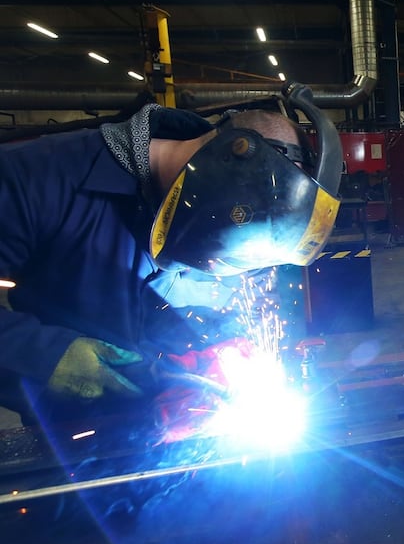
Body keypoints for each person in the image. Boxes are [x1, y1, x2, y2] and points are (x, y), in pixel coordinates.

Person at [0, 82, 343, 422]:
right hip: (77, 445)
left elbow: (235, 311)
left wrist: (228, 351)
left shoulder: (247, 223)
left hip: (186, 438)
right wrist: (41, 357)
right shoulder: (32, 177)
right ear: (227, 163)